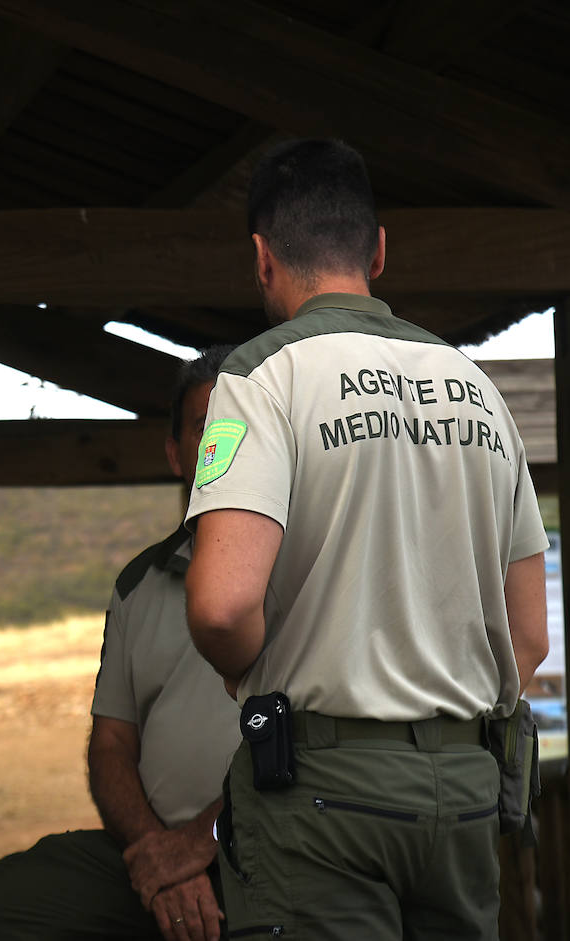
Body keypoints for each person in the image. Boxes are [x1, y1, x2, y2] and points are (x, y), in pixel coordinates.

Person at [183, 139, 549, 940]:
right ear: (378, 250)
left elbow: (220, 605)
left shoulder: (261, 375)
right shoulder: (478, 390)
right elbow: (528, 637)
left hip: (322, 793)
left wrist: (250, 673)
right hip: (463, 791)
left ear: (261, 258)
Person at [0, 346, 240, 941]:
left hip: (272, 848)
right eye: (205, 426)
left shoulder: (314, 571)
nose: (223, 444)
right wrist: (159, 854)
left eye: (242, 427)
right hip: (151, 849)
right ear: (175, 453)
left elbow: (317, 748)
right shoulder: (139, 583)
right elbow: (111, 742)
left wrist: (200, 842)